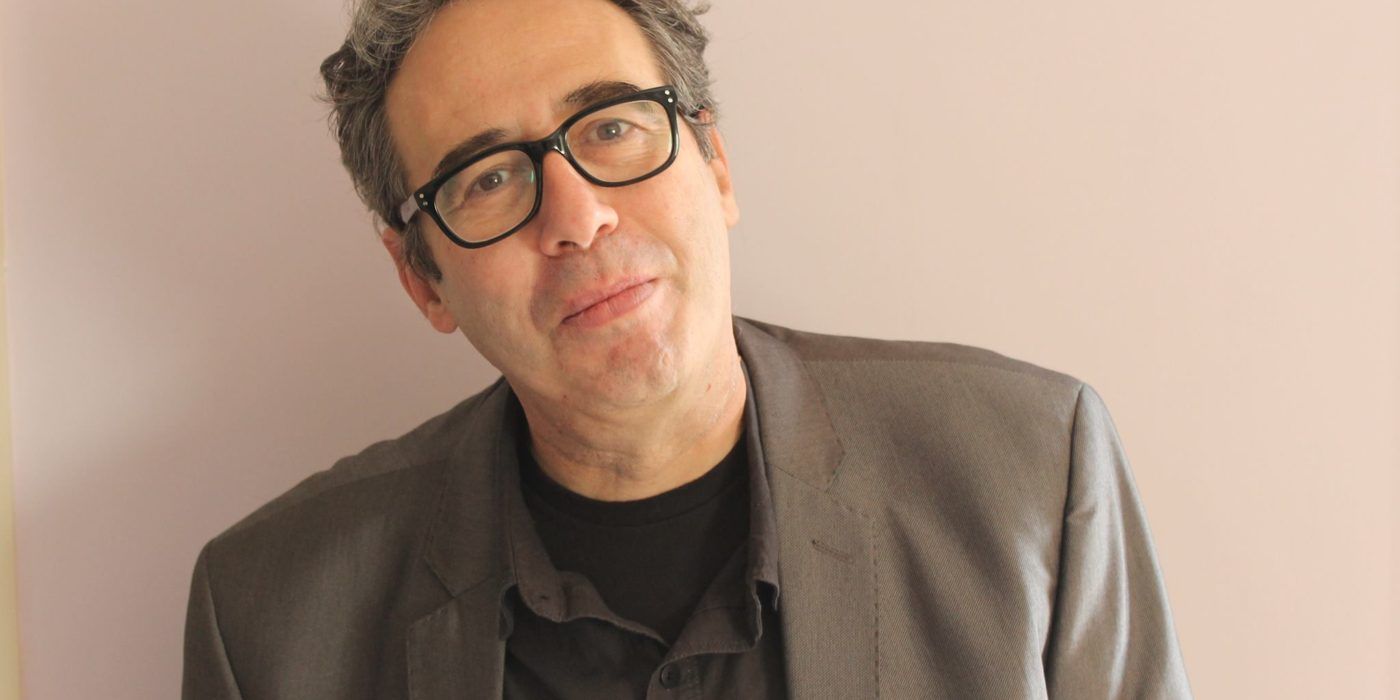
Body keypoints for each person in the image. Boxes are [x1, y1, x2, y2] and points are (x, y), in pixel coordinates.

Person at [182, 0, 1192, 697]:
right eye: (486, 179)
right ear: (422, 280)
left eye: (610, 127)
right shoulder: (267, 620)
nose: (577, 218)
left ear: (715, 163)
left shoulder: (1031, 471)